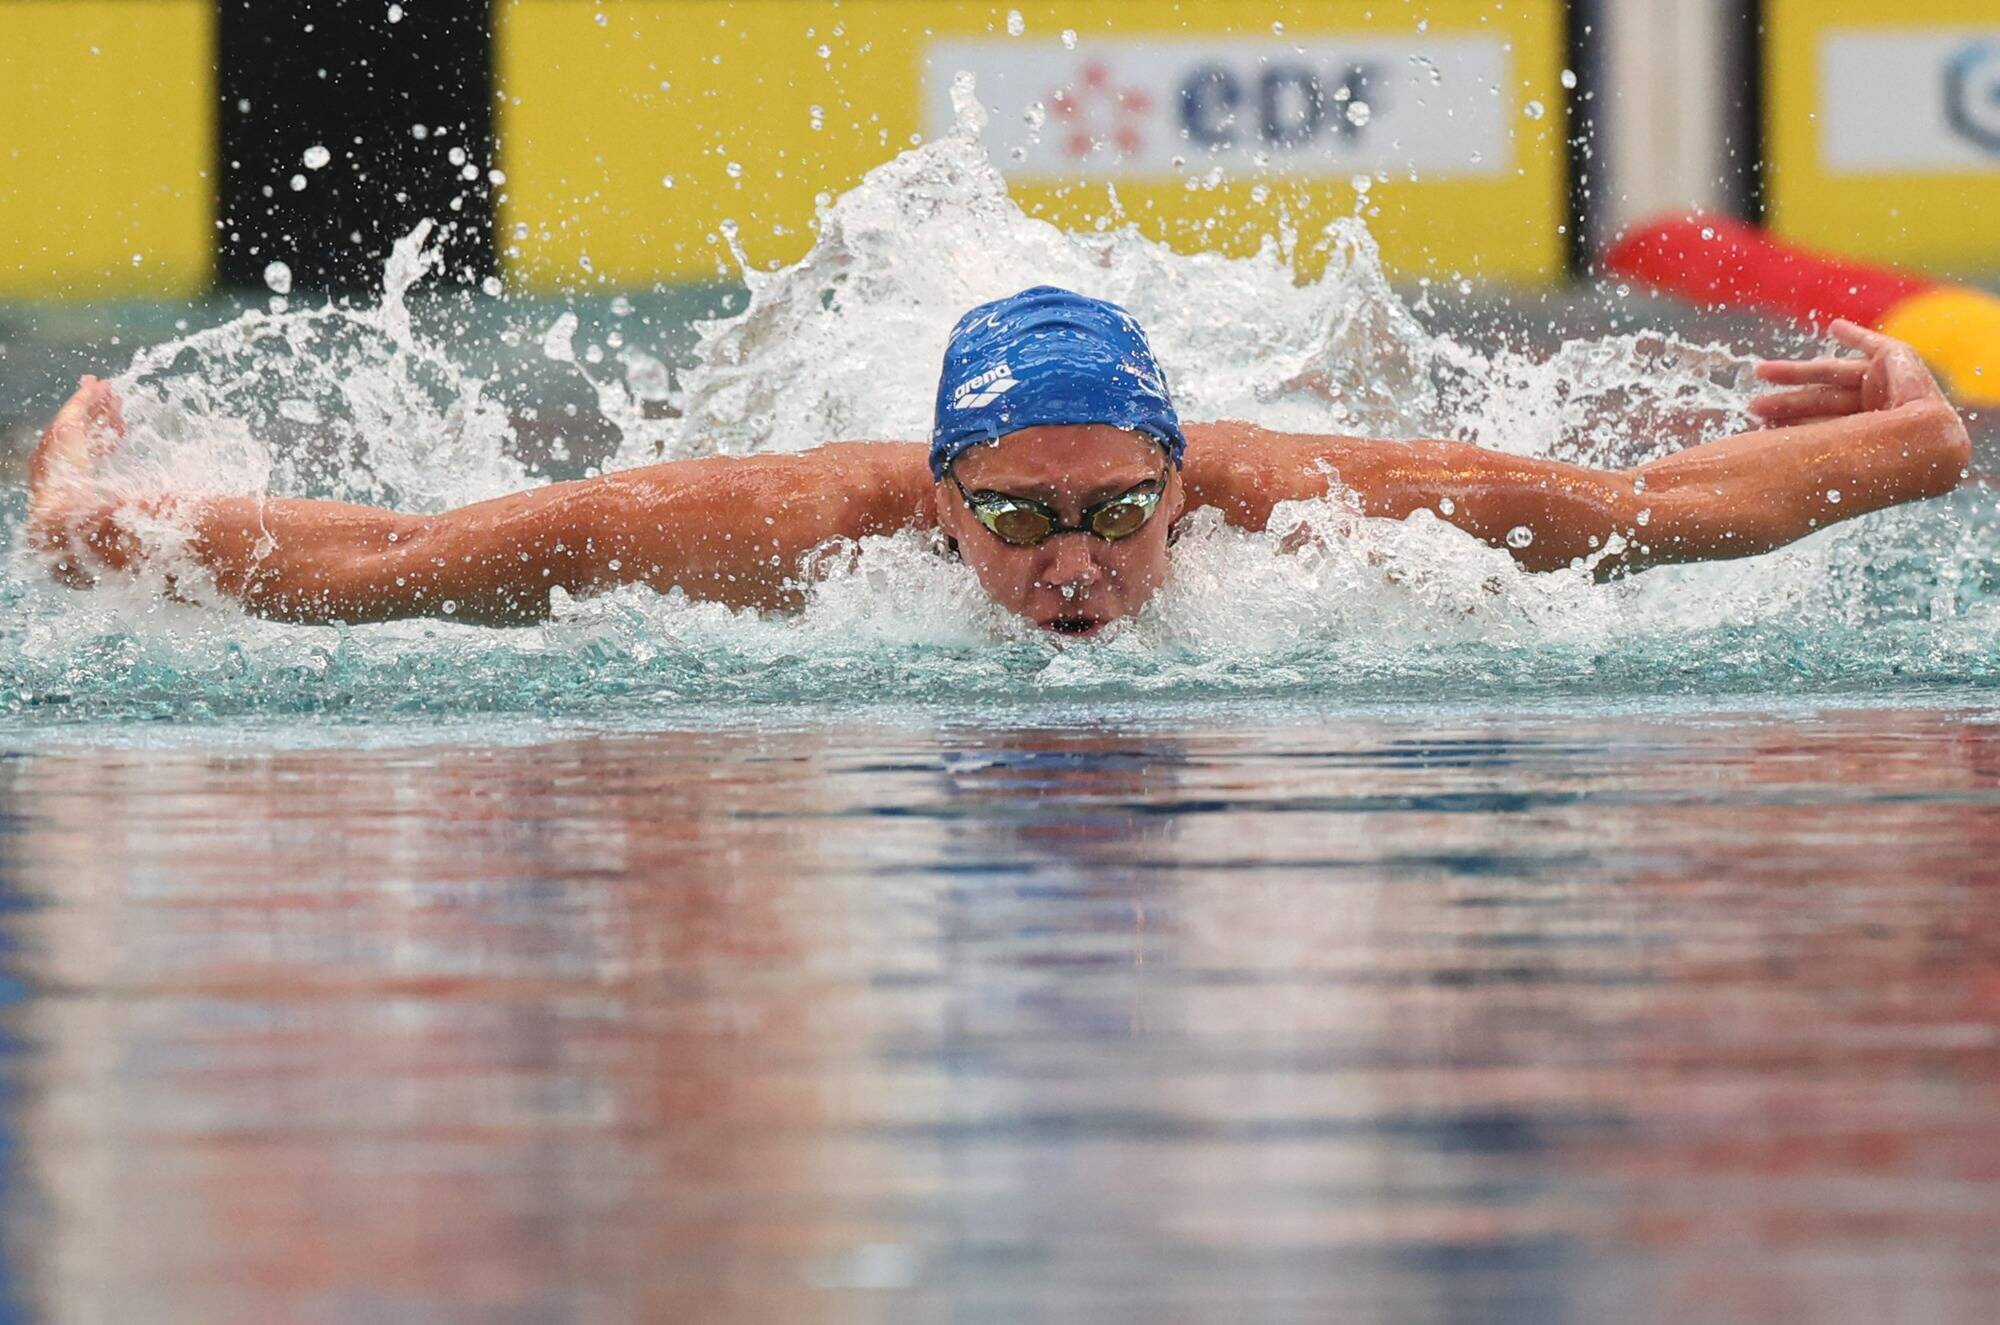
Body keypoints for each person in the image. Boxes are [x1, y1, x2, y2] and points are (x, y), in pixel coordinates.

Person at [24, 286, 1974, 637]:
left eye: (1122, 514)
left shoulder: (1325, 505)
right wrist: (84, 524)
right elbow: (391, 559)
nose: (1076, 566)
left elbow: (1667, 518)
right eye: (1021, 522)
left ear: (1183, 482)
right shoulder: (753, 536)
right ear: (934, 498)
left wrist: (1916, 420)